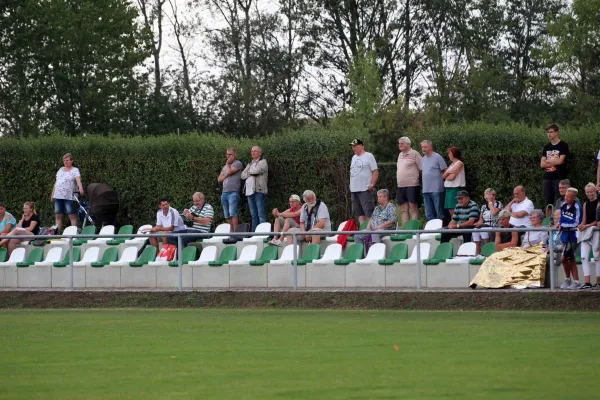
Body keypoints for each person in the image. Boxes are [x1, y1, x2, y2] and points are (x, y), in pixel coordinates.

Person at [51, 153, 84, 233]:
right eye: (64, 160)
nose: (65, 162)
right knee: (58, 215)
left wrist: (80, 187)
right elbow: (56, 182)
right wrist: (52, 193)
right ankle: (57, 234)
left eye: (67, 160)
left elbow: (78, 179)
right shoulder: (60, 170)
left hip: (69, 196)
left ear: (71, 161)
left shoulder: (75, 170)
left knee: (72, 215)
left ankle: (74, 234)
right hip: (58, 196)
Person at [349, 139, 378, 224]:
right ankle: (363, 232)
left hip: (365, 189)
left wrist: (372, 184)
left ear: (361, 146)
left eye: (355, 146)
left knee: (368, 212)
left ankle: (371, 233)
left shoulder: (369, 156)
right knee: (359, 213)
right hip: (354, 189)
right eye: (352, 146)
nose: (353, 148)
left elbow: (375, 171)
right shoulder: (353, 157)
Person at [540, 123, 568, 210]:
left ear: (557, 133)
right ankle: (548, 221)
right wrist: (554, 162)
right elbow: (542, 164)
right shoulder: (546, 147)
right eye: (547, 132)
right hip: (547, 178)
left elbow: (560, 161)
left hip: (559, 177)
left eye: (551, 132)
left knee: (561, 201)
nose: (549, 134)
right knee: (548, 203)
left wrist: (547, 161)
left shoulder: (563, 145)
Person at [558, 187, 582, 290]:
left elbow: (577, 222)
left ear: (574, 198)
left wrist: (562, 225)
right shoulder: (562, 205)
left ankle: (575, 281)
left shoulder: (577, 207)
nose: (566, 198)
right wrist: (559, 224)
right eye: (566, 196)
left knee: (566, 258)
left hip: (573, 236)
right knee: (568, 259)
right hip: (564, 235)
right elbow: (561, 218)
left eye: (569, 196)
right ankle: (569, 280)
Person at [241, 146, 268, 231]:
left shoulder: (263, 162)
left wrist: (248, 172)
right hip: (249, 192)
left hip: (259, 190)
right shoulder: (250, 163)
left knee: (261, 214)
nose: (253, 152)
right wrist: (250, 172)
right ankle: (254, 234)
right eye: (252, 151)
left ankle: (263, 234)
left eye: (255, 151)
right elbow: (242, 175)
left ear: (260, 153)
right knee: (253, 215)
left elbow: (256, 171)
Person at [578, 183, 599, 289]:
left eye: (591, 191)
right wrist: (582, 225)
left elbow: (598, 220)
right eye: (588, 192)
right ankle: (587, 282)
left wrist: (588, 225)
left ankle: (598, 281)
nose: (590, 194)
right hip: (586, 232)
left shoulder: (599, 202)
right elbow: (584, 219)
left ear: (595, 191)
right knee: (584, 257)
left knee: (597, 257)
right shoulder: (586, 203)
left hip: (596, 231)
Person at [396, 137, 422, 225]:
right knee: (403, 209)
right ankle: (405, 230)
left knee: (413, 208)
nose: (400, 145)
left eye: (402, 143)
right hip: (400, 185)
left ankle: (415, 230)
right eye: (399, 143)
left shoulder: (415, 154)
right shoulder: (399, 155)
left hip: (412, 185)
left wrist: (418, 180)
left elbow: (421, 169)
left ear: (408, 144)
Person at [218, 147, 243, 232]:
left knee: (233, 213)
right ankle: (231, 233)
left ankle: (236, 233)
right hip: (224, 192)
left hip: (233, 192)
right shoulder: (224, 167)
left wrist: (228, 165)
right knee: (227, 215)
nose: (228, 156)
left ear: (235, 155)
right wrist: (226, 175)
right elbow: (219, 179)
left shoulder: (238, 163)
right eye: (227, 154)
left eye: (230, 154)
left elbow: (230, 171)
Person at [421, 140, 447, 221]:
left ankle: (440, 231)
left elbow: (445, 170)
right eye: (422, 147)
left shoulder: (437, 157)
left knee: (439, 213)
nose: (423, 149)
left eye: (425, 147)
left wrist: (441, 180)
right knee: (428, 213)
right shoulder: (423, 159)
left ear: (430, 147)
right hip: (426, 189)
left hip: (437, 189)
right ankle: (431, 231)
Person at [472, 188, 503, 255]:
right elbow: (481, 218)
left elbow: (494, 212)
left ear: (493, 196)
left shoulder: (498, 204)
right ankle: (478, 254)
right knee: (475, 230)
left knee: (484, 230)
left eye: (488, 195)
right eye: (486, 195)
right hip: (485, 224)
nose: (486, 197)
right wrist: (478, 223)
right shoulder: (483, 206)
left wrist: (490, 203)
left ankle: (488, 252)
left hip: (494, 225)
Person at [443, 146, 466, 218]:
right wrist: (448, 172)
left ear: (454, 154)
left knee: (455, 208)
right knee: (450, 209)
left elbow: (452, 177)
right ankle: (453, 223)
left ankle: (457, 224)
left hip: (455, 188)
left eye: (450, 153)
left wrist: (447, 175)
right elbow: (443, 176)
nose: (448, 155)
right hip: (449, 189)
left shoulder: (459, 163)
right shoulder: (451, 165)